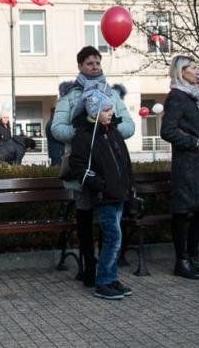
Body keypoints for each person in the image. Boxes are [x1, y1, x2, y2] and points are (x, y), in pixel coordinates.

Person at [52, 46, 134, 287]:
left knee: (110, 222)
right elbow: (57, 129)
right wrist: (85, 132)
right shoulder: (70, 96)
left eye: (98, 63)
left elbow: (129, 126)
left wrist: (109, 129)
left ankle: (108, 269)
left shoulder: (113, 95)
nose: (95, 67)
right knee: (85, 218)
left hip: (109, 167)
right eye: (89, 63)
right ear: (80, 66)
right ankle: (88, 266)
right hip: (83, 167)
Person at [67, 90, 134, 300]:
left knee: (116, 238)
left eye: (111, 108)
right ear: (94, 112)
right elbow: (78, 166)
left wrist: (129, 186)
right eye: (106, 109)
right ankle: (103, 280)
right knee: (113, 238)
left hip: (119, 194)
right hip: (104, 196)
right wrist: (99, 184)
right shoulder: (84, 137)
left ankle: (111, 278)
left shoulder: (112, 132)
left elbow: (125, 162)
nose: (110, 113)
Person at [160, 56, 199, 280]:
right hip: (185, 163)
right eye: (192, 68)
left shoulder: (195, 96)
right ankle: (181, 261)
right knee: (183, 211)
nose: (198, 71)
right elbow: (167, 130)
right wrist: (193, 143)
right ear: (181, 72)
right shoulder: (176, 97)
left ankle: (194, 256)